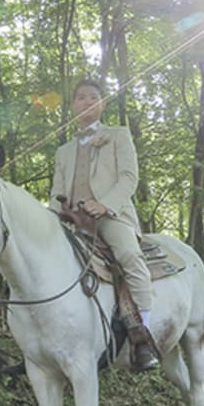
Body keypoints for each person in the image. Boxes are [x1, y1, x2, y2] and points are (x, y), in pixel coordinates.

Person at [49, 79, 159, 372]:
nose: (87, 102)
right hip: (72, 220)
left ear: (103, 104)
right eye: (81, 97)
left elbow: (128, 178)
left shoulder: (118, 136)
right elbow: (55, 192)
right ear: (73, 105)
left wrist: (105, 205)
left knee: (130, 257)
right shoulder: (63, 152)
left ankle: (142, 338)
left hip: (109, 216)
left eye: (93, 97)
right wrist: (52, 218)